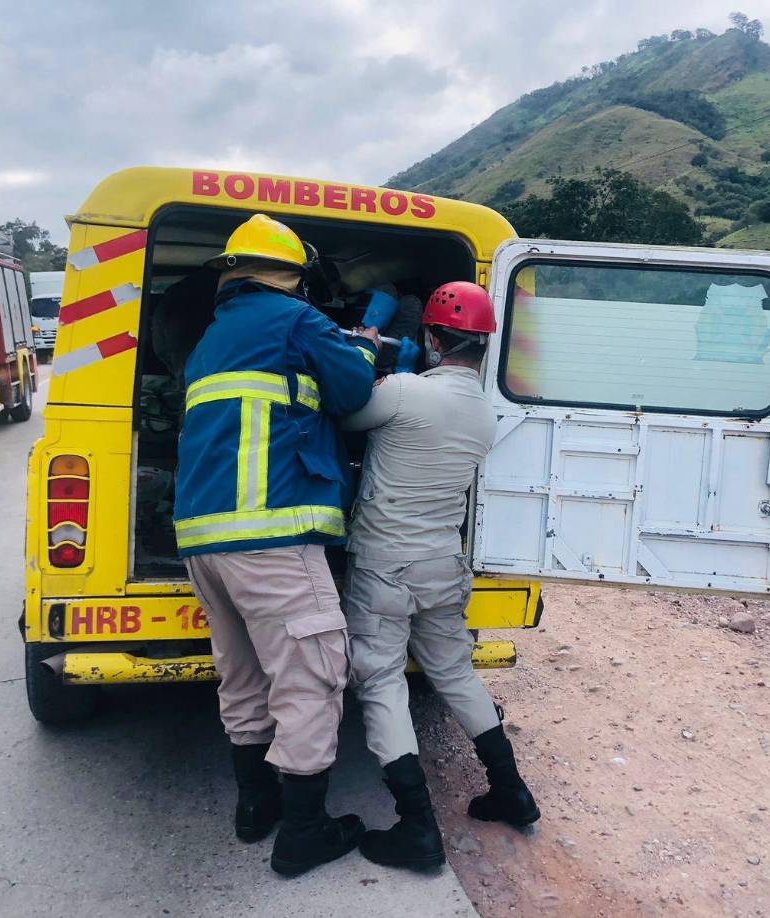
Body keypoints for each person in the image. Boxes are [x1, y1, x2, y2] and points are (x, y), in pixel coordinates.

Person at [174, 214, 399, 877]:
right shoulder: (295, 320)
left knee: (241, 674)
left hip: (203, 541)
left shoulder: (213, 338)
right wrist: (363, 344)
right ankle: (303, 834)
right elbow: (354, 391)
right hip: (271, 535)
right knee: (312, 678)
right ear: (293, 276)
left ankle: (256, 807)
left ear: (233, 272)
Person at [340, 280, 540, 872]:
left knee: (380, 682)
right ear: (484, 347)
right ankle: (512, 792)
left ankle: (417, 829)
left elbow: (346, 412)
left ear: (430, 337)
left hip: (384, 563)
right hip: (442, 564)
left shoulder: (401, 392)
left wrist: (367, 347)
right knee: (454, 674)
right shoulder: (486, 413)